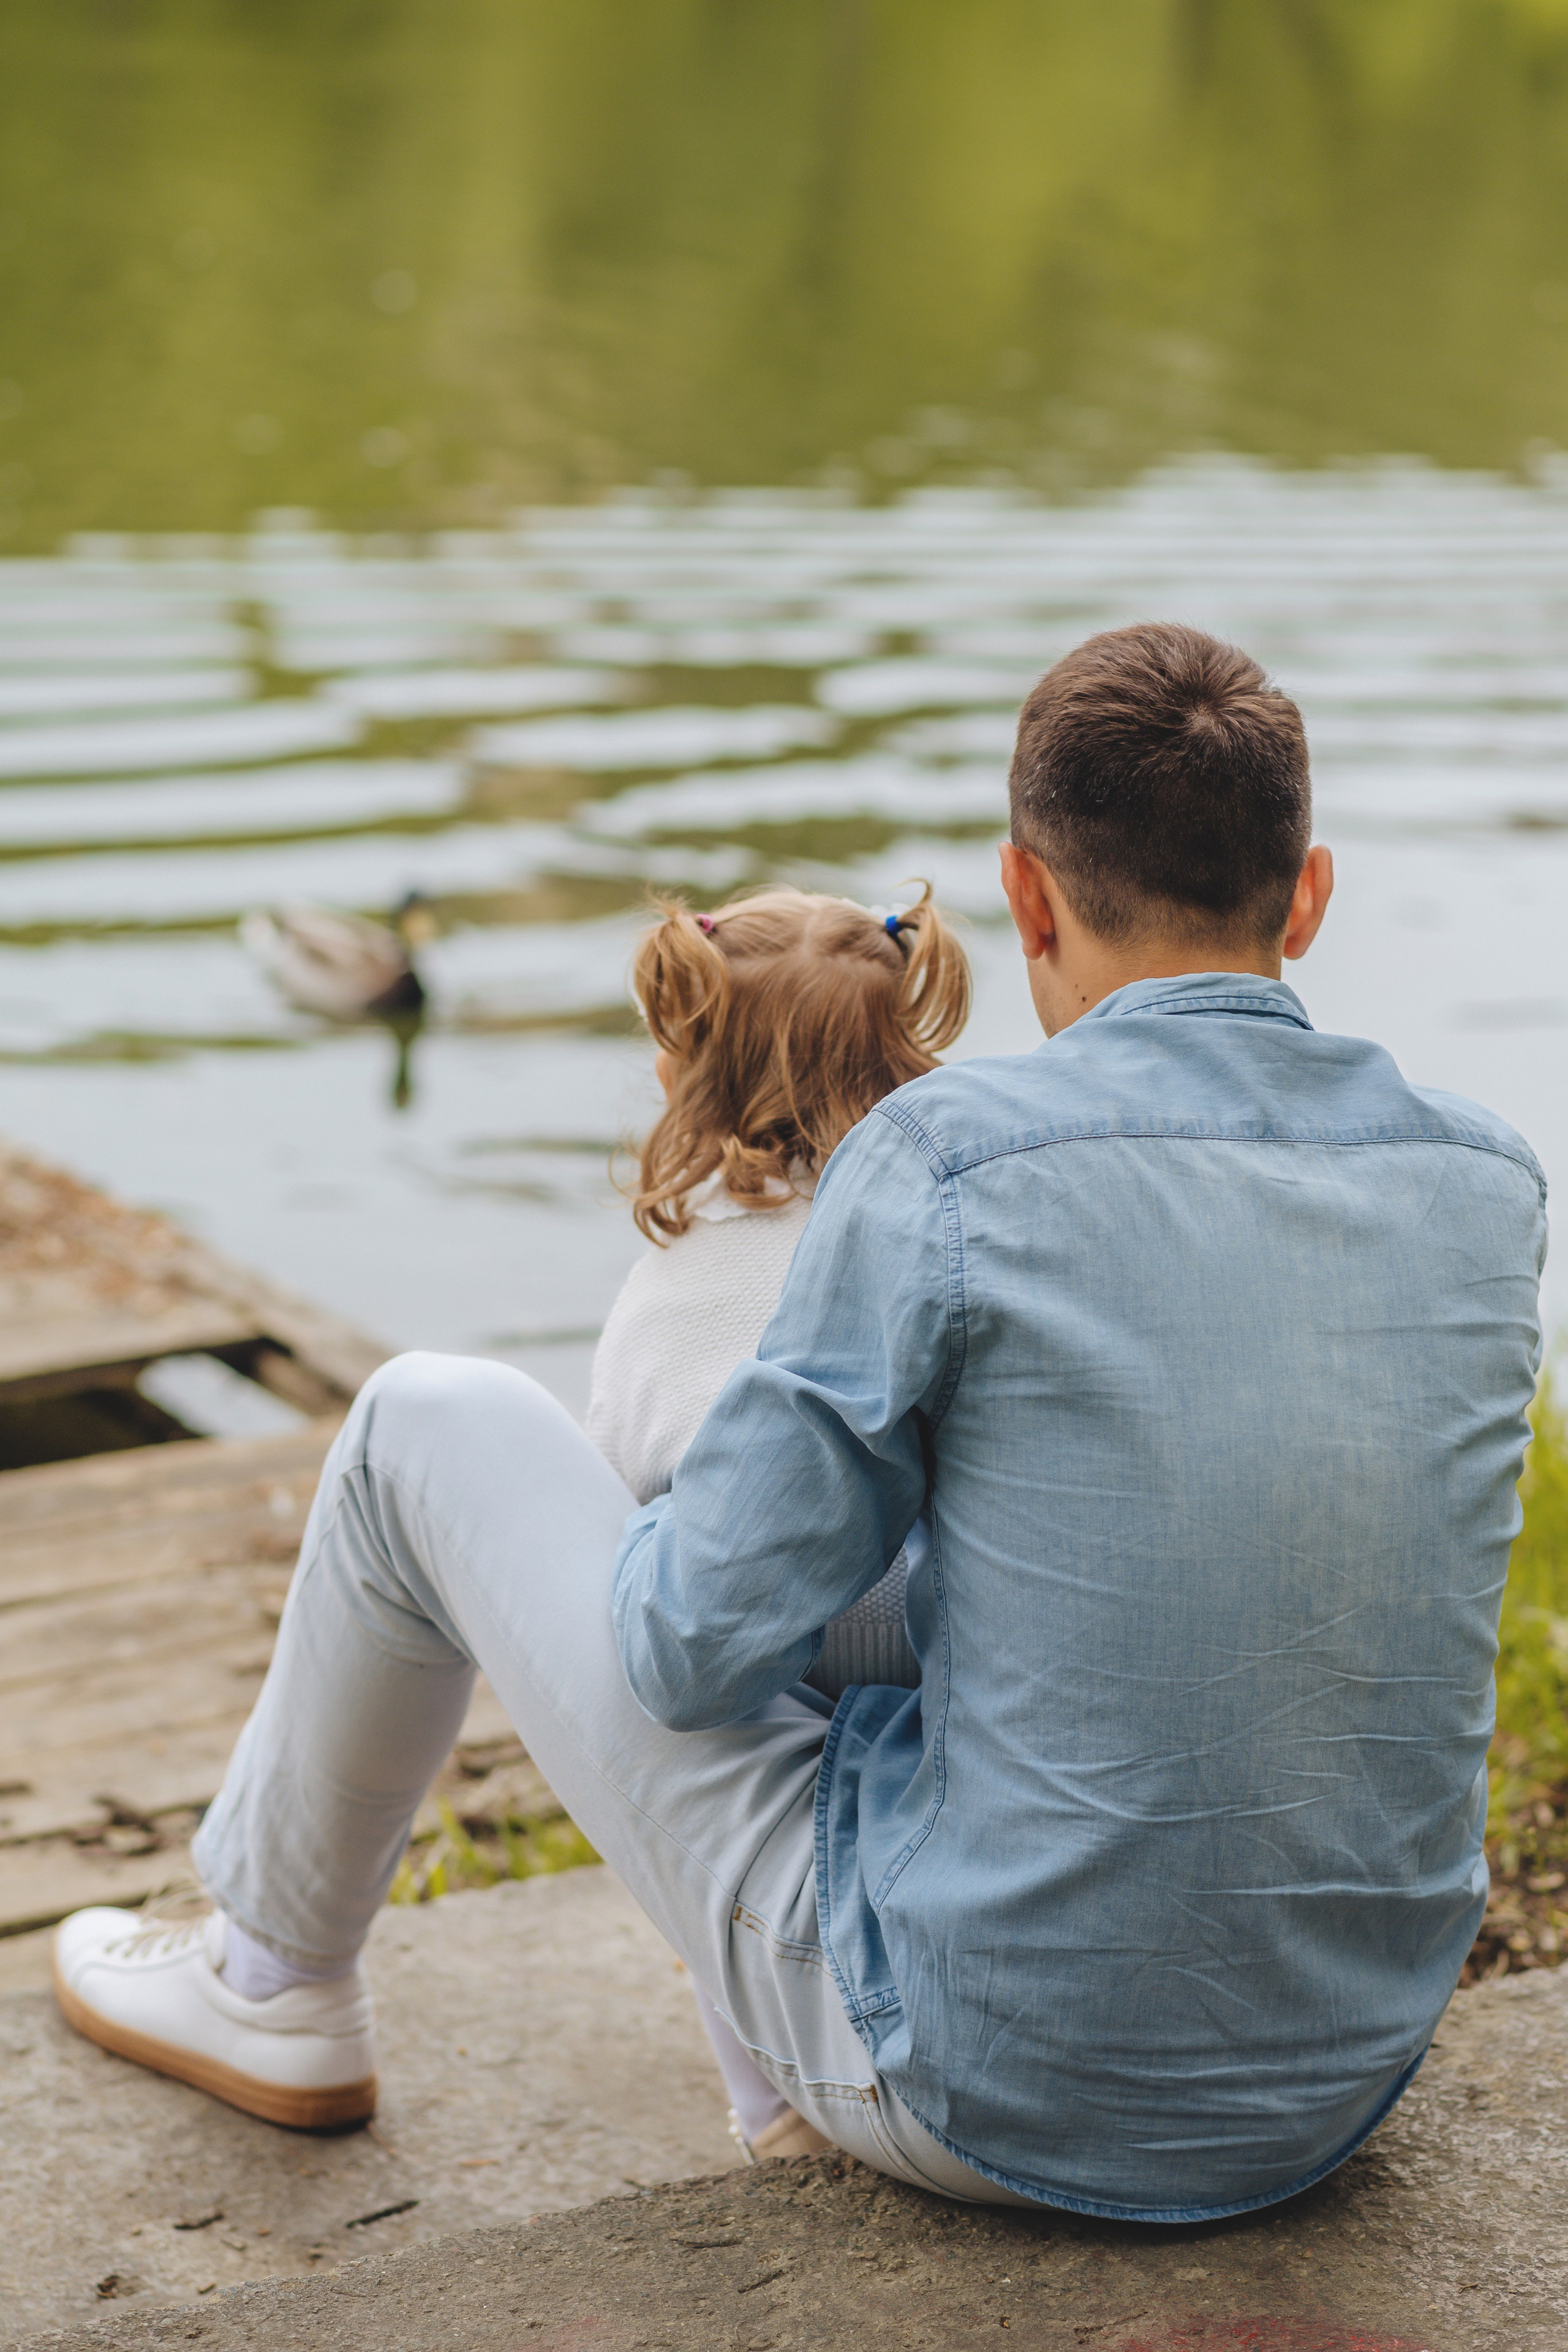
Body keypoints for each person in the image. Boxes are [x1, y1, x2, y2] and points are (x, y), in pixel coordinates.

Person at [53, 624, 1544, 2220]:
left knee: (430, 1418)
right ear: (1309, 895)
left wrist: (681, 1520)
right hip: (1339, 2074)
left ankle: (268, 1982)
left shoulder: (952, 1162)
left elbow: (691, 1651)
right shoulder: (1486, 1182)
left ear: (1026, 895)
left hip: (991, 2078)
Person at [584, 883, 968, 2152]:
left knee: (674, 1662)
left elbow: (633, 1504)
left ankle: (773, 2103)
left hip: (770, 1694)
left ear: (678, 1057)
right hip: (944, 1694)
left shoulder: (674, 1290)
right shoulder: (944, 1242)